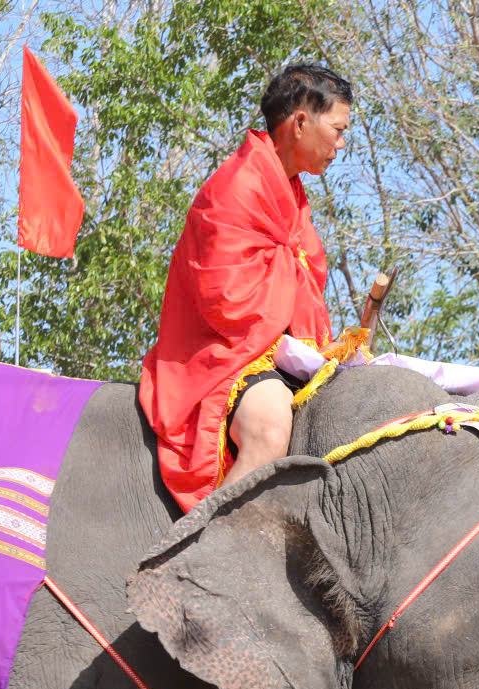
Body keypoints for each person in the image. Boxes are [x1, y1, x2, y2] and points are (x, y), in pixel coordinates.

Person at [139, 64, 352, 513]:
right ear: (299, 124)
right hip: (222, 353)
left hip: (275, 349)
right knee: (269, 429)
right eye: (337, 129)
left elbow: (301, 280)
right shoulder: (234, 187)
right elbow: (228, 304)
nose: (341, 144)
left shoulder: (293, 193)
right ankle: (195, 562)